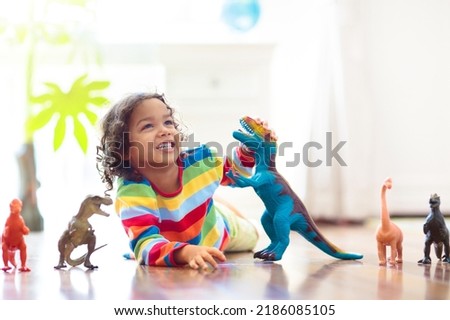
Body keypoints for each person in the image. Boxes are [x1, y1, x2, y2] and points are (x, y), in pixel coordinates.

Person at [96, 92, 275, 270]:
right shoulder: (132, 193)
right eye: (148, 126)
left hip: (219, 230)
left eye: (168, 122)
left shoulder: (199, 162)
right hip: (175, 241)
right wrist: (185, 252)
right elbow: (145, 244)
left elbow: (237, 171)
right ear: (124, 151)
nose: (165, 130)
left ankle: (224, 209)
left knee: (253, 234)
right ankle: (211, 203)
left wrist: (250, 149)